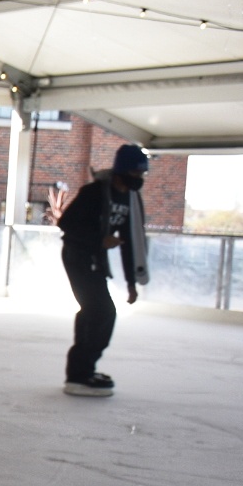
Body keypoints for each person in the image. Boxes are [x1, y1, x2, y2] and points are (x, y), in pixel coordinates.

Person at [56, 143, 150, 397]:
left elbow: (130, 241)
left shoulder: (129, 199)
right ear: (121, 172)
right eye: (135, 174)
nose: (139, 180)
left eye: (142, 175)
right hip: (78, 256)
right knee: (101, 311)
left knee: (95, 312)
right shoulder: (93, 193)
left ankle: (82, 371)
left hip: (96, 259)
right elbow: (66, 224)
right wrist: (100, 240)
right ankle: (79, 374)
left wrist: (132, 283)